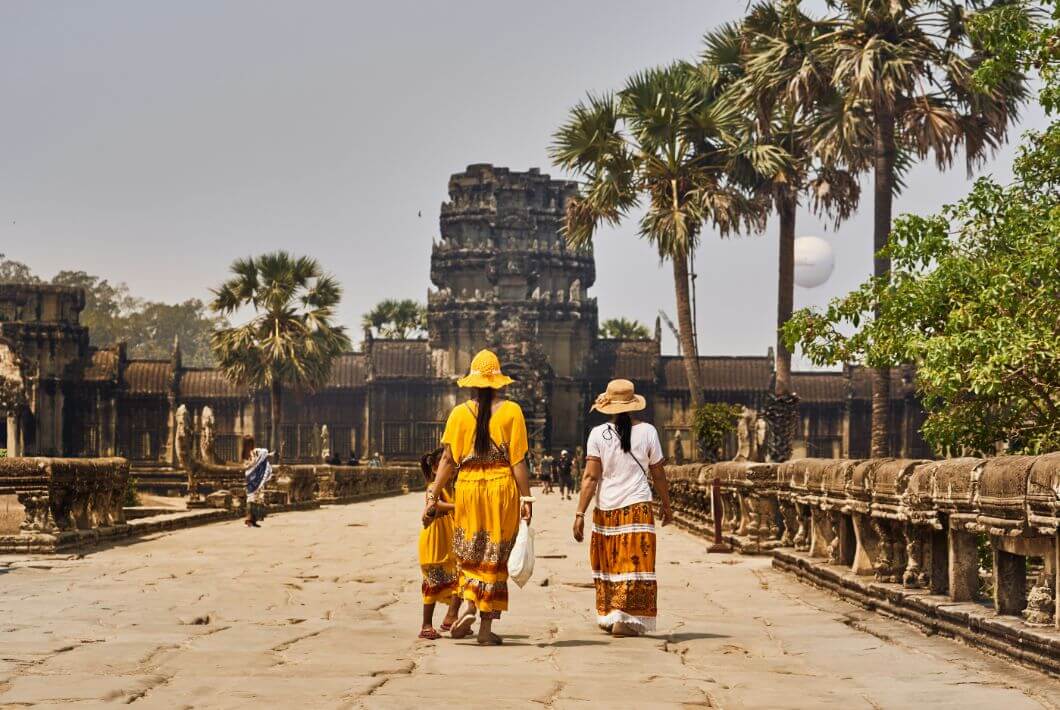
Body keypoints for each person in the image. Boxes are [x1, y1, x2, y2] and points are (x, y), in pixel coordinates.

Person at [424, 349, 533, 646]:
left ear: (472, 383)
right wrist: (527, 500)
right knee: (495, 555)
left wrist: (433, 493)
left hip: (469, 488)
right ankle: (484, 628)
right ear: (499, 382)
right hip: (501, 488)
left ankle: (470, 603)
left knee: (470, 551)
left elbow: (447, 459)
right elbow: (518, 462)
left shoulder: (459, 414)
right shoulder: (512, 411)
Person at [572, 379, 673, 637]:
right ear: (633, 404)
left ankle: (612, 613)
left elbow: (590, 478)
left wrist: (580, 513)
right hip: (638, 506)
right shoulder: (649, 431)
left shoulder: (597, 434)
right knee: (635, 564)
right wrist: (667, 506)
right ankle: (624, 618)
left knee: (611, 562)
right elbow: (658, 474)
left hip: (606, 508)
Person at [418, 447, 462, 640]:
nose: (452, 470)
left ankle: (450, 619)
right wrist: (457, 506)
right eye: (448, 466)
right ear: (436, 469)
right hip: (435, 543)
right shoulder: (433, 487)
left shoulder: (451, 488)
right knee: (432, 583)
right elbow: (434, 505)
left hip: (448, 541)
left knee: (458, 581)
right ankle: (426, 625)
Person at [241, 435, 273, 528]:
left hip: (257, 477)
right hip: (251, 478)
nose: (250, 445)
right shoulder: (245, 454)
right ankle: (248, 520)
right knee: (251, 498)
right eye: (248, 443)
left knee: (258, 499)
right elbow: (246, 465)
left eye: (251, 443)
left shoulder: (255, 451)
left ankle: (254, 520)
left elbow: (262, 456)